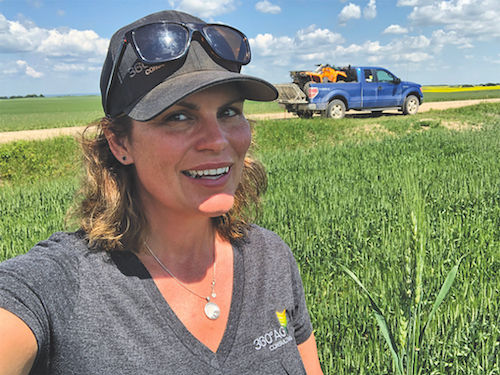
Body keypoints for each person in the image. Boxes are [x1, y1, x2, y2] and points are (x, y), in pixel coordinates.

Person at [0, 10, 323, 375]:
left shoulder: (270, 259)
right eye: (179, 117)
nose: (217, 140)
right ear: (120, 142)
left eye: (229, 112)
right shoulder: (59, 285)